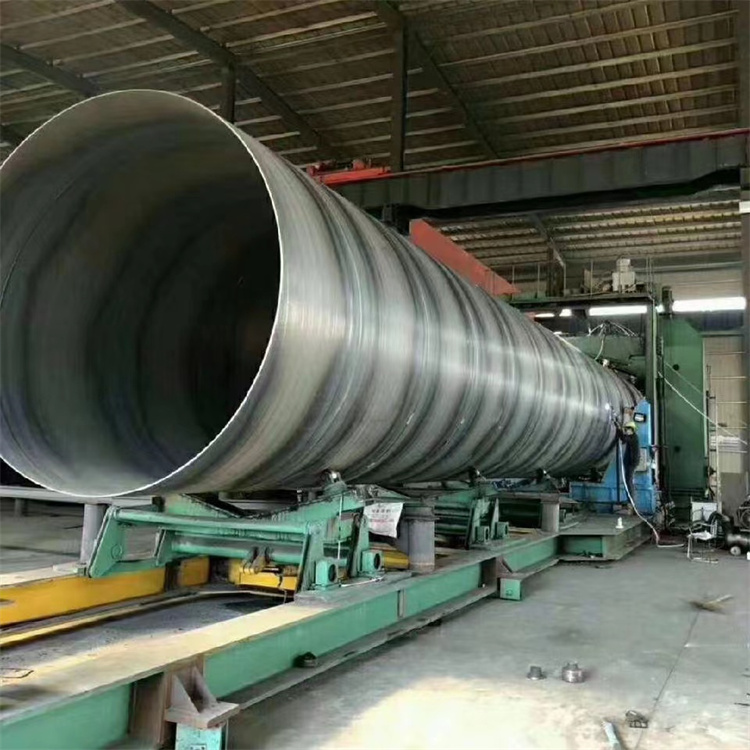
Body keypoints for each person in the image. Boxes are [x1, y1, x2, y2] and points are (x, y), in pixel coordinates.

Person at [616, 420, 640, 504]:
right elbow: (624, 439)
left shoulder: (634, 437)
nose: (626, 431)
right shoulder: (632, 437)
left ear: (632, 429)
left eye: (627, 429)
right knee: (628, 480)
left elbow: (624, 439)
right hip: (630, 462)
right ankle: (630, 499)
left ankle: (631, 500)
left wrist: (619, 430)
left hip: (632, 462)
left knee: (629, 481)